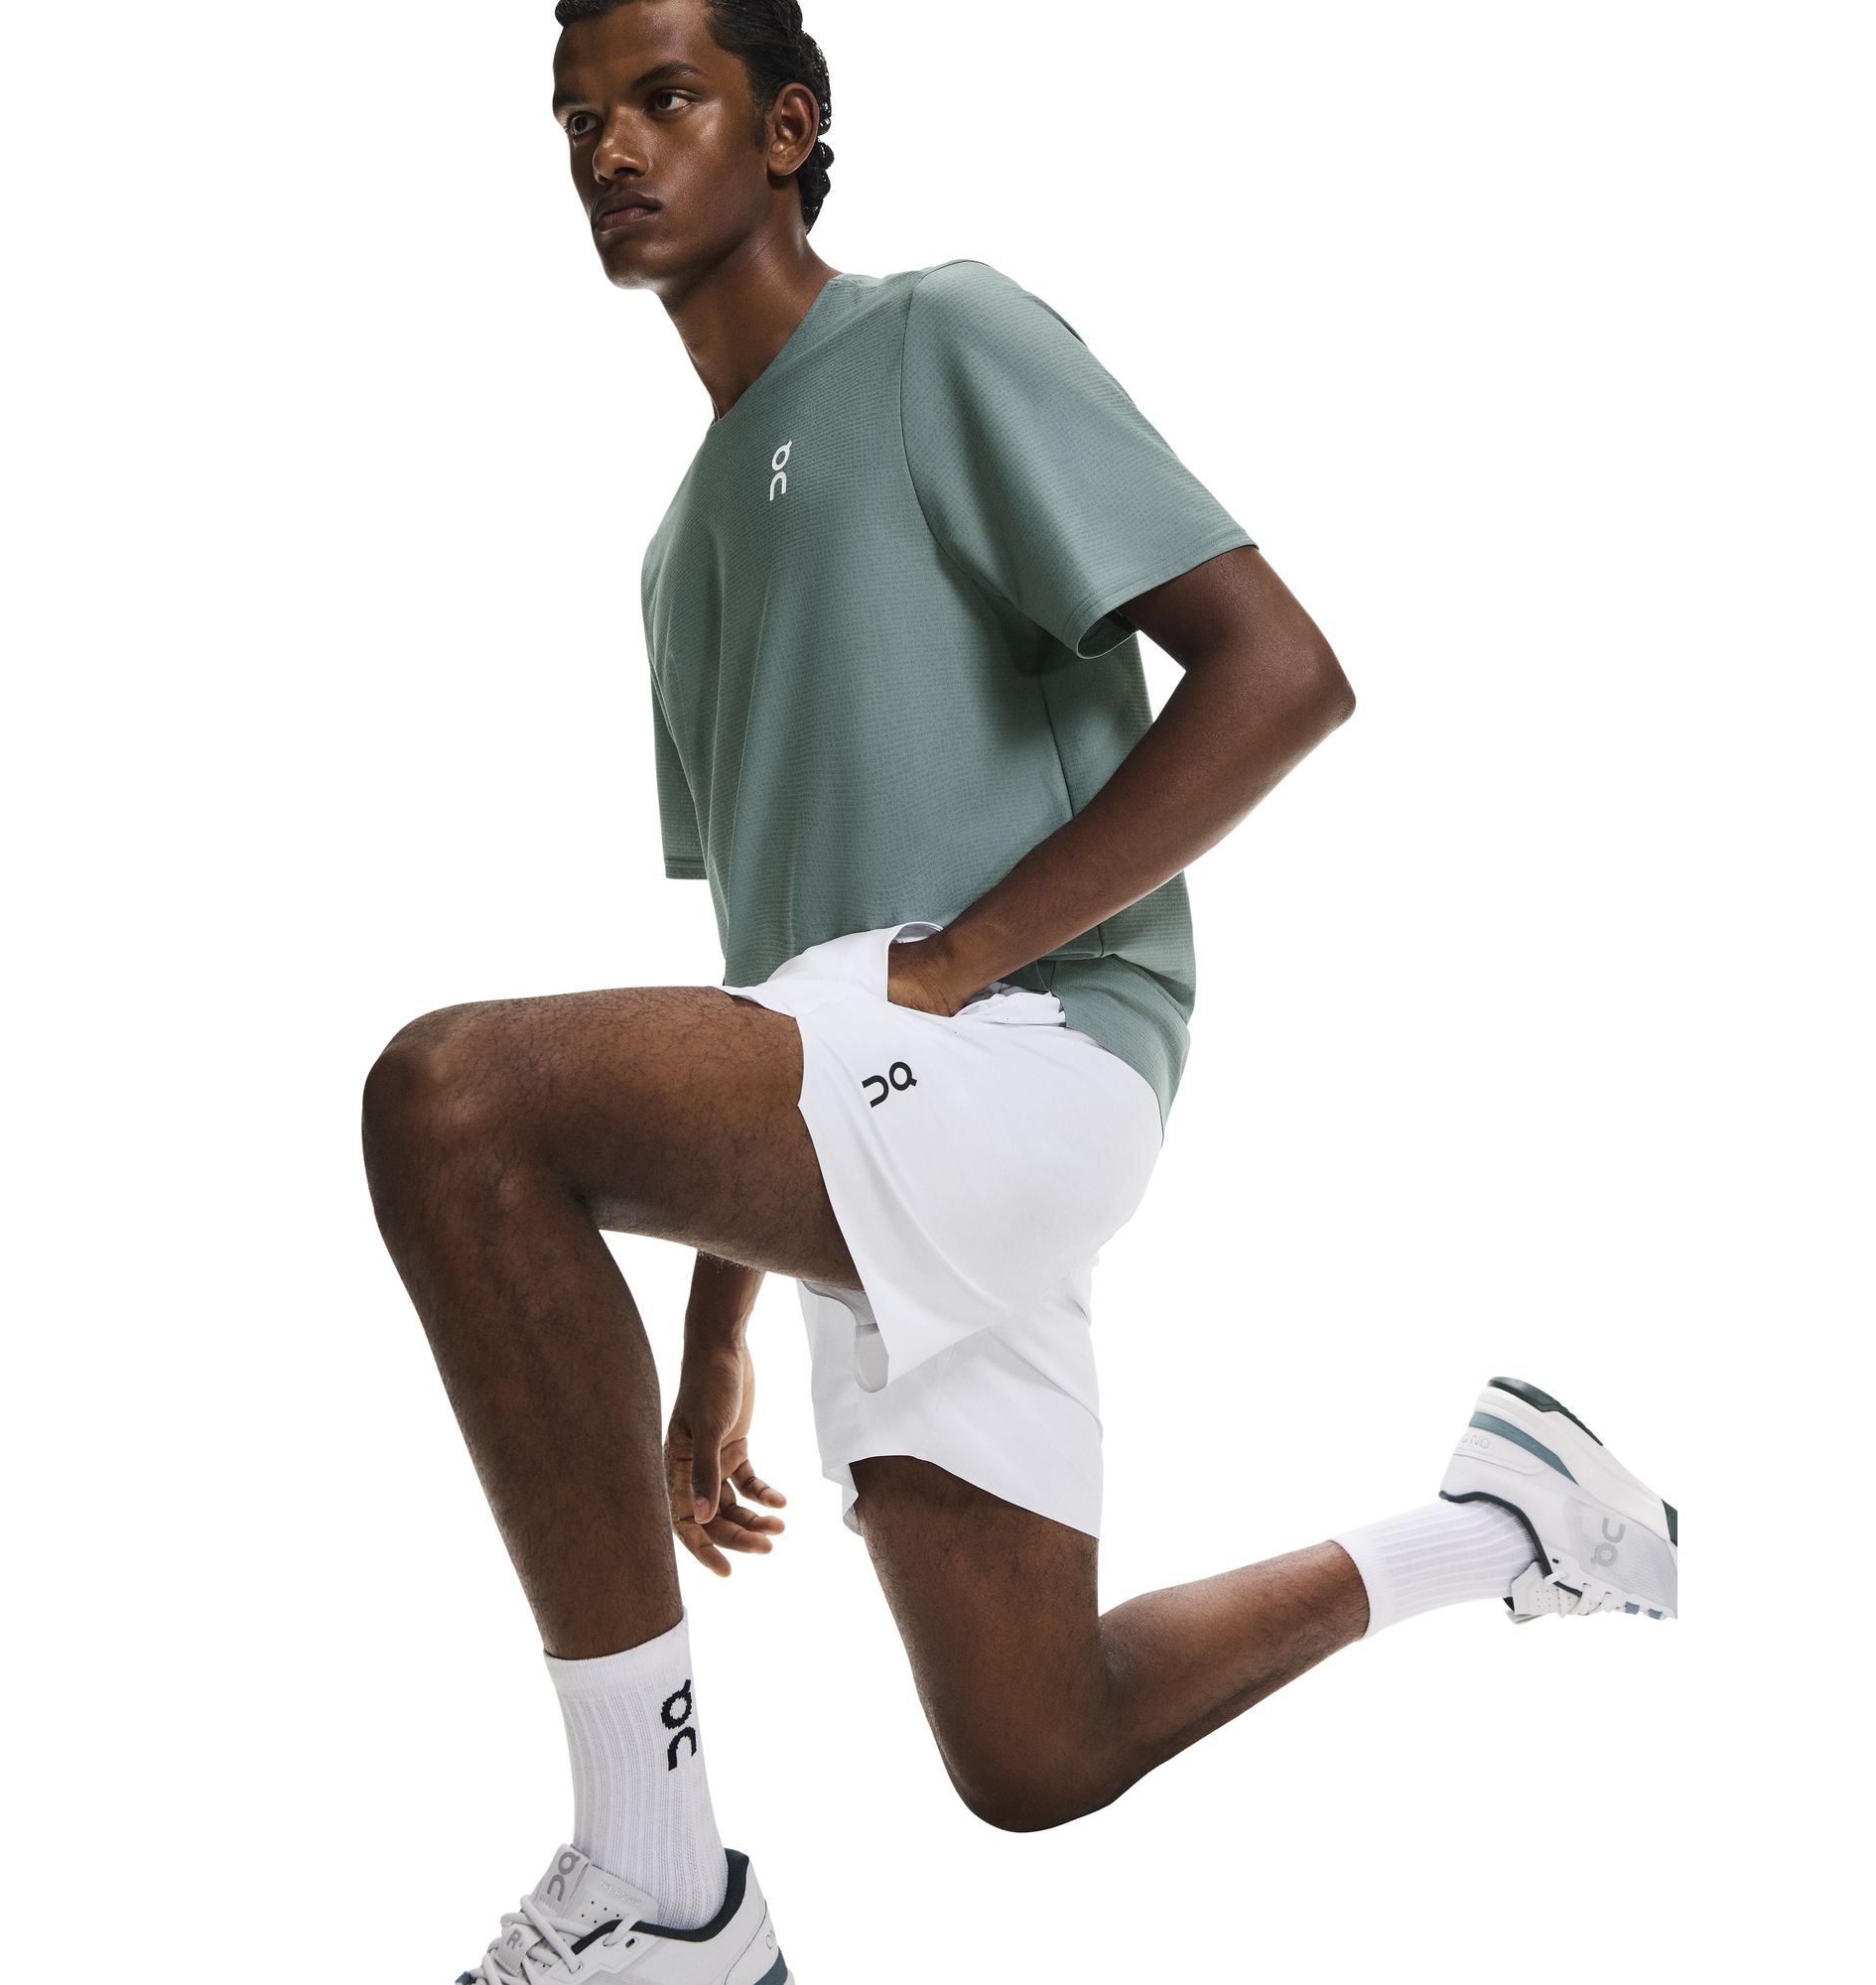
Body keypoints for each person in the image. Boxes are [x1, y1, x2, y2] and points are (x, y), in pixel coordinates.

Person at [360, 3, 1680, 1977]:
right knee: (1034, 1746)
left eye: (664, 97)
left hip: (1022, 1055)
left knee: (450, 1104)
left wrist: (966, 957)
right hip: (871, 1109)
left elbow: (1280, 672)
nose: (609, 150)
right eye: (576, 119)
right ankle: (1514, 1523)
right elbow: (765, 979)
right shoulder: (673, 554)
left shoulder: (936, 337)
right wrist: (720, 1326)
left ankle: (662, 1887)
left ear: (787, 127)